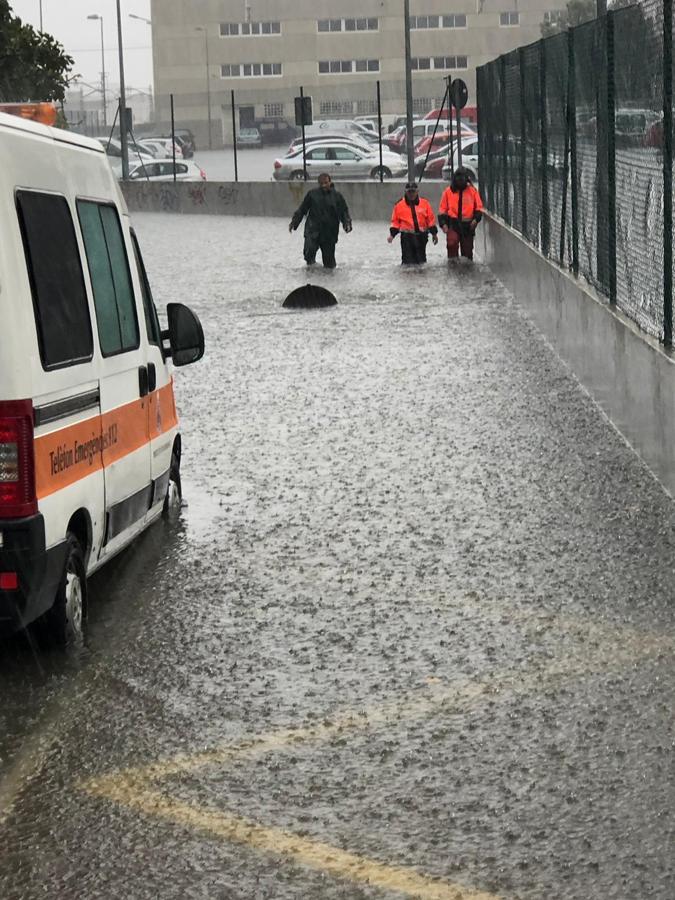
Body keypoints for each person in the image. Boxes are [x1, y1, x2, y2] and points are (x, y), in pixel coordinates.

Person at [289, 173, 352, 268]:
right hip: (313, 230)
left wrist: (347, 223)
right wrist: (294, 222)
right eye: (321, 183)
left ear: (330, 182)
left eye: (326, 183)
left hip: (329, 233)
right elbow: (302, 209)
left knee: (329, 262)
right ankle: (310, 272)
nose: (324, 185)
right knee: (309, 253)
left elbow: (344, 212)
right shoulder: (312, 194)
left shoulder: (337, 197)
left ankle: (328, 278)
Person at [438, 167, 484, 260]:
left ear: (466, 179)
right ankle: (452, 265)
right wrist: (443, 224)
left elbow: (479, 208)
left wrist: (476, 220)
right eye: (458, 180)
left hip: (468, 225)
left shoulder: (473, 191)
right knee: (452, 243)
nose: (460, 182)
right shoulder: (448, 192)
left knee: (467, 253)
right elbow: (442, 209)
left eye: (462, 180)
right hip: (453, 223)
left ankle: (466, 269)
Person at [388, 182, 439, 265]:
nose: (411, 194)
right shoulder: (399, 205)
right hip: (407, 237)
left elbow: (430, 220)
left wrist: (434, 234)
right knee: (407, 261)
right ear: (405, 192)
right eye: (409, 192)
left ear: (417, 192)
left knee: (421, 261)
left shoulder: (425, 203)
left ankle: (420, 276)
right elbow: (395, 222)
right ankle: (408, 277)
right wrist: (392, 235)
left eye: (413, 192)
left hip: (421, 236)